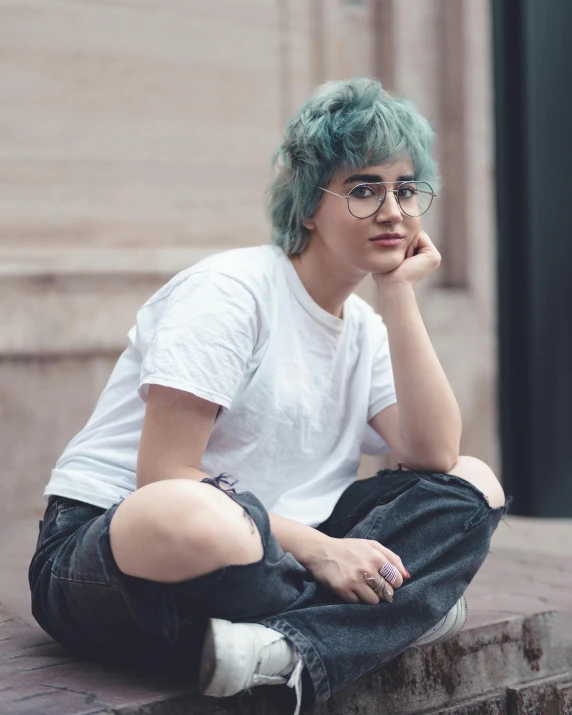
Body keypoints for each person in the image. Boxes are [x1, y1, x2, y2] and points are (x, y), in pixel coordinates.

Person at [28, 77, 510, 714]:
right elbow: (163, 477)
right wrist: (323, 551)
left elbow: (434, 451)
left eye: (405, 188)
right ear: (309, 204)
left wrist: (398, 296)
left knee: (474, 485)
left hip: (269, 560)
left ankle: (280, 649)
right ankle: (399, 614)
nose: (393, 210)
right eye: (364, 189)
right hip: (118, 552)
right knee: (199, 520)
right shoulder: (231, 292)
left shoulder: (366, 326)